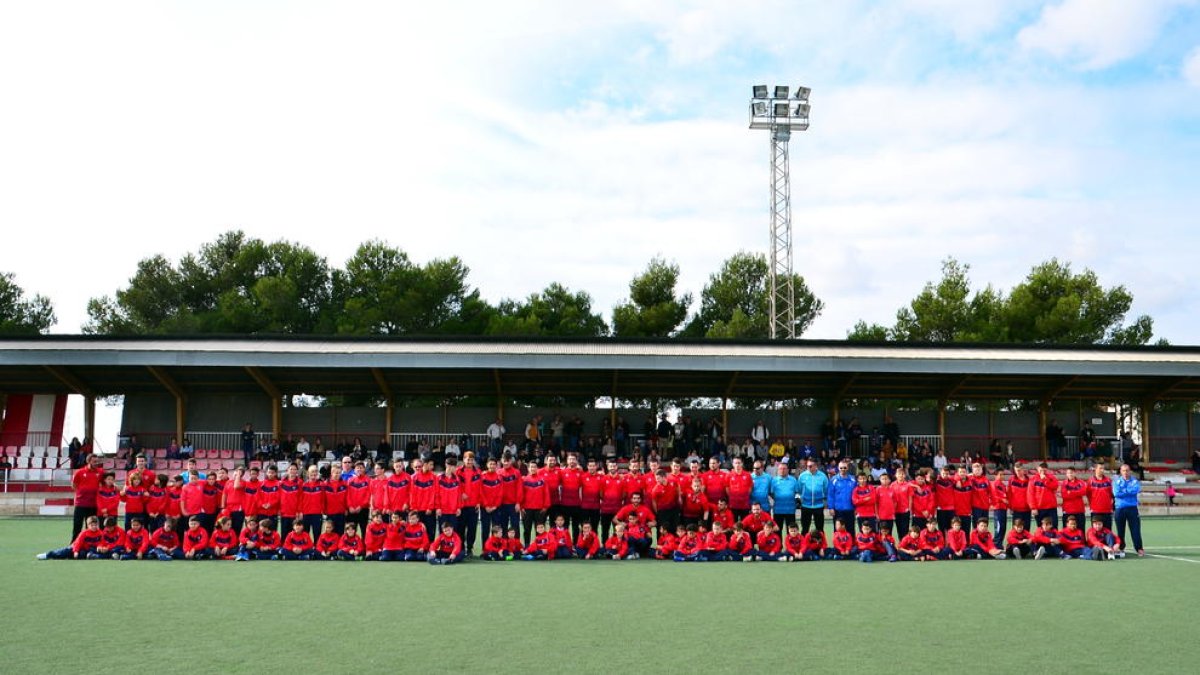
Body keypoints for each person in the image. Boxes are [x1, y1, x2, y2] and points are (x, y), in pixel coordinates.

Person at [70, 454, 104, 541]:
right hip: (80, 504)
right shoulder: (79, 472)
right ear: (88, 461)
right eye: (94, 461)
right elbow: (74, 485)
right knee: (77, 526)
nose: (96, 463)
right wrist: (82, 493)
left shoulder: (100, 472)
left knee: (90, 526)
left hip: (93, 504)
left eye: (97, 461)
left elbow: (106, 483)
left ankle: (89, 544)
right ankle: (73, 545)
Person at [1113, 463, 1144, 557]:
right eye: (1123, 470)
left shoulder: (1135, 481)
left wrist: (1124, 491)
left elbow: (1135, 490)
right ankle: (1121, 547)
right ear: (1121, 472)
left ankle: (1139, 548)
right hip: (1120, 508)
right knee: (1120, 530)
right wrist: (1128, 491)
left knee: (1135, 529)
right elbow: (1116, 493)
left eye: (1127, 470)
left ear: (1130, 471)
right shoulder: (1117, 482)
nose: (1125, 472)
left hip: (1132, 508)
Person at [38, 515, 103, 560]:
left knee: (83, 555)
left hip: (86, 550)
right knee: (63, 552)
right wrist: (75, 551)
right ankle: (48, 555)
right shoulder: (84, 533)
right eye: (92, 525)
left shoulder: (100, 533)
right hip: (75, 548)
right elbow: (78, 543)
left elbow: (102, 542)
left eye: (96, 525)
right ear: (88, 526)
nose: (94, 527)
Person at [797, 460, 829, 535]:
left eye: (810, 466)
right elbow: (799, 489)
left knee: (820, 529)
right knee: (805, 529)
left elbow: (826, 489)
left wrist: (825, 502)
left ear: (815, 466)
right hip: (805, 506)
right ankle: (804, 546)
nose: (808, 467)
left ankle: (821, 546)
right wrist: (801, 500)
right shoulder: (802, 476)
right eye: (807, 466)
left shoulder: (823, 476)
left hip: (819, 506)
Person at [768, 463, 800, 530]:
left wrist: (797, 500)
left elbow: (797, 492)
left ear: (788, 470)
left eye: (784, 469)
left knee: (791, 531)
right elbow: (771, 493)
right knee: (777, 531)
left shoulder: (793, 480)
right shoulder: (774, 481)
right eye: (780, 469)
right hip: (778, 511)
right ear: (778, 470)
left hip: (790, 510)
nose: (782, 470)